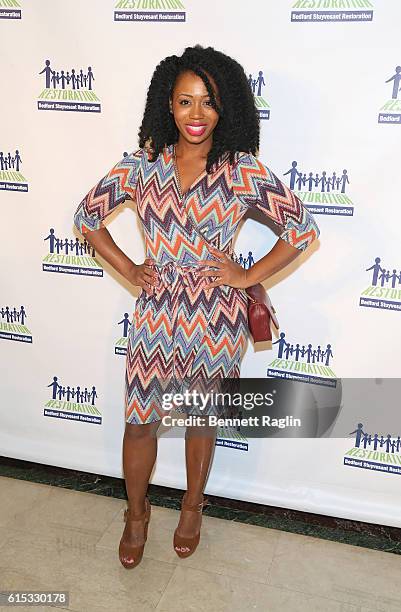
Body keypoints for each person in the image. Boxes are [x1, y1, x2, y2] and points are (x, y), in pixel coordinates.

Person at [73, 44, 320, 569]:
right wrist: (130, 268)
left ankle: (191, 507)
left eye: (208, 102)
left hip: (216, 318)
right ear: (168, 105)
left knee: (198, 420)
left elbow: (302, 229)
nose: (197, 114)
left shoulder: (241, 169)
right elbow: (87, 216)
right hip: (156, 314)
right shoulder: (142, 165)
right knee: (140, 423)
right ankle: (135, 515)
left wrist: (247, 274)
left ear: (225, 106)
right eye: (185, 102)